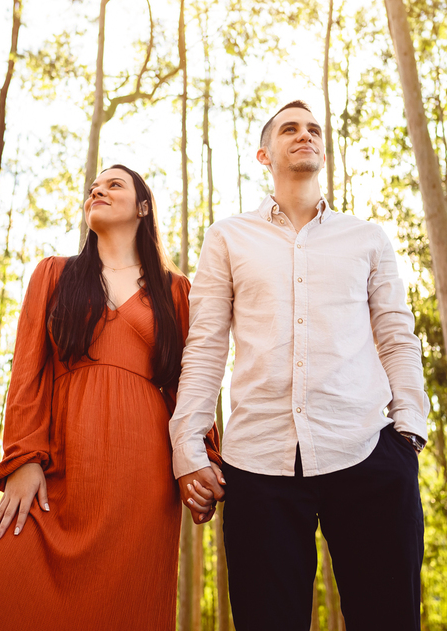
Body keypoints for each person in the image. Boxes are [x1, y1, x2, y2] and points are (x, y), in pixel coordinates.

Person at [170, 100, 429, 630]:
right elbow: (205, 344)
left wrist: (409, 431)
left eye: (313, 129)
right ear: (265, 154)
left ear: (323, 150)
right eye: (290, 128)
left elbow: (397, 336)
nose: (304, 134)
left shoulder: (367, 238)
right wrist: (187, 443)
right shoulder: (228, 237)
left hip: (369, 452)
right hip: (258, 464)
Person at [0, 165, 220, 631]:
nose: (98, 191)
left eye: (114, 185)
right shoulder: (53, 274)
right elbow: (27, 370)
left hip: (141, 479)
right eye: (93, 188)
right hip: (57, 470)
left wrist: (201, 458)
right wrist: (24, 458)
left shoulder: (177, 291)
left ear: (143, 208)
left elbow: (197, 384)